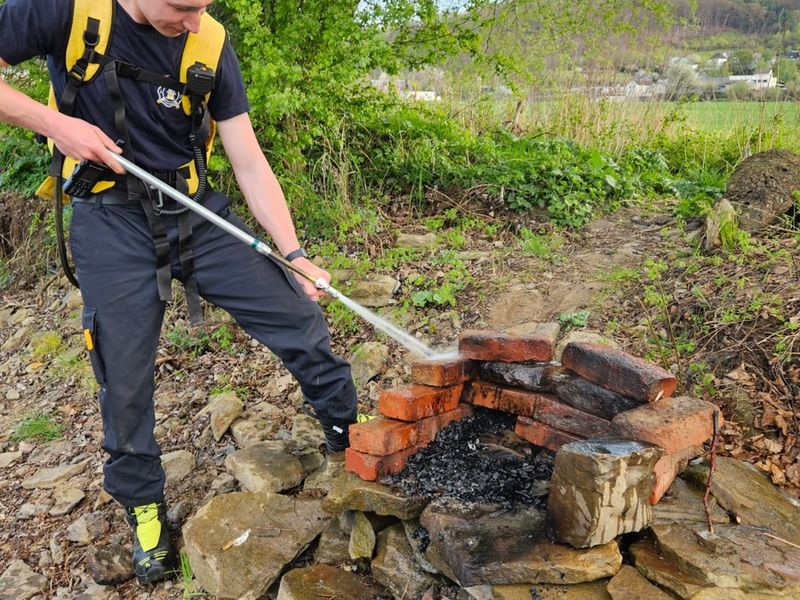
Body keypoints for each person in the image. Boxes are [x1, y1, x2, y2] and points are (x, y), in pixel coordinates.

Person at [0, 0, 358, 585]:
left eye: (203, 7)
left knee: (297, 315)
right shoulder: (66, 10)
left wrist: (292, 253)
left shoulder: (209, 41)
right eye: (181, 8)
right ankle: (145, 509)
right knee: (124, 373)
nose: (194, 22)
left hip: (195, 215)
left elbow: (247, 158)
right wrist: (55, 124)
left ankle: (348, 430)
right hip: (108, 217)